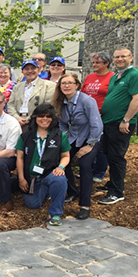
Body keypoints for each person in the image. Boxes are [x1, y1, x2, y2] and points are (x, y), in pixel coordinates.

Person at [98, 47, 138, 205]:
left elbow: (137, 99)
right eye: (117, 57)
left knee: (117, 157)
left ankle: (116, 192)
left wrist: (126, 120)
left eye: (123, 56)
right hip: (108, 122)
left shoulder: (136, 76)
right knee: (109, 153)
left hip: (121, 124)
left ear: (131, 58)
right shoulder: (115, 76)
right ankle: (112, 183)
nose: (119, 59)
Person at [52, 73, 103, 220]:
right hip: (73, 137)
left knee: (85, 164)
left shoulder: (87, 101)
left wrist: (89, 145)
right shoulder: (61, 102)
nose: (66, 86)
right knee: (61, 160)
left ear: (77, 85)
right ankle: (73, 191)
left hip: (92, 137)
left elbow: (97, 125)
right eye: (63, 83)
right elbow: (62, 123)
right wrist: (63, 139)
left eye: (70, 83)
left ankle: (85, 205)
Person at [16, 103, 71, 226]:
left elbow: (66, 156)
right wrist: (21, 178)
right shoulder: (25, 136)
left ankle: (55, 213)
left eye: (48, 116)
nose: (44, 119)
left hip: (49, 173)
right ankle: (46, 191)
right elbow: (19, 158)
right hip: (32, 177)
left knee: (59, 179)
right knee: (33, 205)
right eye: (41, 116)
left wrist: (61, 167)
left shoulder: (59, 135)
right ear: (35, 118)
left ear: (53, 119)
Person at [81, 52, 114, 183]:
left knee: (100, 144)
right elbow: (83, 93)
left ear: (106, 63)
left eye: (97, 62)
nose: (94, 65)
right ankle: (88, 168)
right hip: (86, 115)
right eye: (93, 62)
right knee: (88, 142)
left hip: (102, 114)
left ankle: (99, 172)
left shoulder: (112, 77)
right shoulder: (89, 77)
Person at [7, 60, 56, 131]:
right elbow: (10, 105)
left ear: (38, 70)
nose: (30, 71)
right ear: (22, 72)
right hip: (17, 125)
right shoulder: (17, 87)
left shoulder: (49, 85)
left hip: (37, 125)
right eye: (26, 69)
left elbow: (47, 106)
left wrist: (29, 118)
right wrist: (17, 118)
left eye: (32, 68)